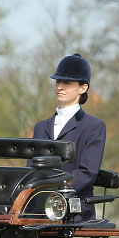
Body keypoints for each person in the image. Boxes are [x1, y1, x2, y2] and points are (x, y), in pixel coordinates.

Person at [32, 54, 106, 221]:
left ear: (83, 88)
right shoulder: (40, 127)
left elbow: (88, 171)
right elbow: (32, 168)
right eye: (58, 82)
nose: (59, 87)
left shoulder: (94, 127)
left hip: (76, 209)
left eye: (67, 83)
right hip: (39, 208)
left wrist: (56, 192)